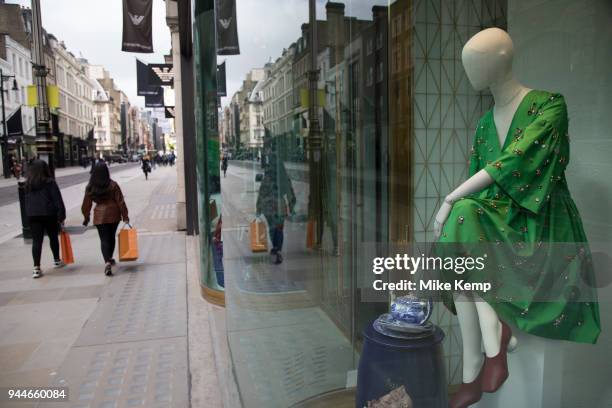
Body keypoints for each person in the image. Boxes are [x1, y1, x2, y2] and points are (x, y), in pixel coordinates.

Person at [82, 162, 129, 276]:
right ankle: (110, 257)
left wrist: (86, 217)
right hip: (114, 214)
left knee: (103, 239)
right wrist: (125, 216)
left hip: (99, 216)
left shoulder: (90, 187)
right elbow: (120, 201)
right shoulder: (113, 185)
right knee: (111, 237)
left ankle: (107, 262)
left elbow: (86, 204)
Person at [24, 159, 66, 278]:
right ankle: (56, 260)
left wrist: (29, 214)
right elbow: (57, 200)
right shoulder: (50, 182)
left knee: (37, 241)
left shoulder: (28, 184)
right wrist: (61, 215)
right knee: (53, 237)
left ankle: (36, 267)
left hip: (33, 215)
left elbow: (26, 201)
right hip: (49, 214)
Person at [256, 143, 296, 264]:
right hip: (279, 205)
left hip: (269, 206)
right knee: (279, 228)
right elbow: (289, 190)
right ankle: (277, 249)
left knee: (273, 228)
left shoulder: (268, 175)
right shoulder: (282, 175)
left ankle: (276, 248)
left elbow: (262, 191)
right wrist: (291, 205)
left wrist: (258, 207)